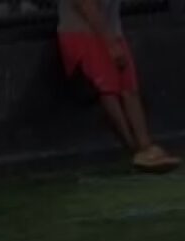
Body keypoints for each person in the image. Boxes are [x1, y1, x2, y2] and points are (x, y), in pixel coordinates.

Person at [58, 0, 180, 171]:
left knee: (129, 86)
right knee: (107, 91)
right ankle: (134, 150)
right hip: (82, 33)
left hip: (111, 32)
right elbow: (86, 5)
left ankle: (146, 146)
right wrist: (110, 43)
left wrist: (113, 41)